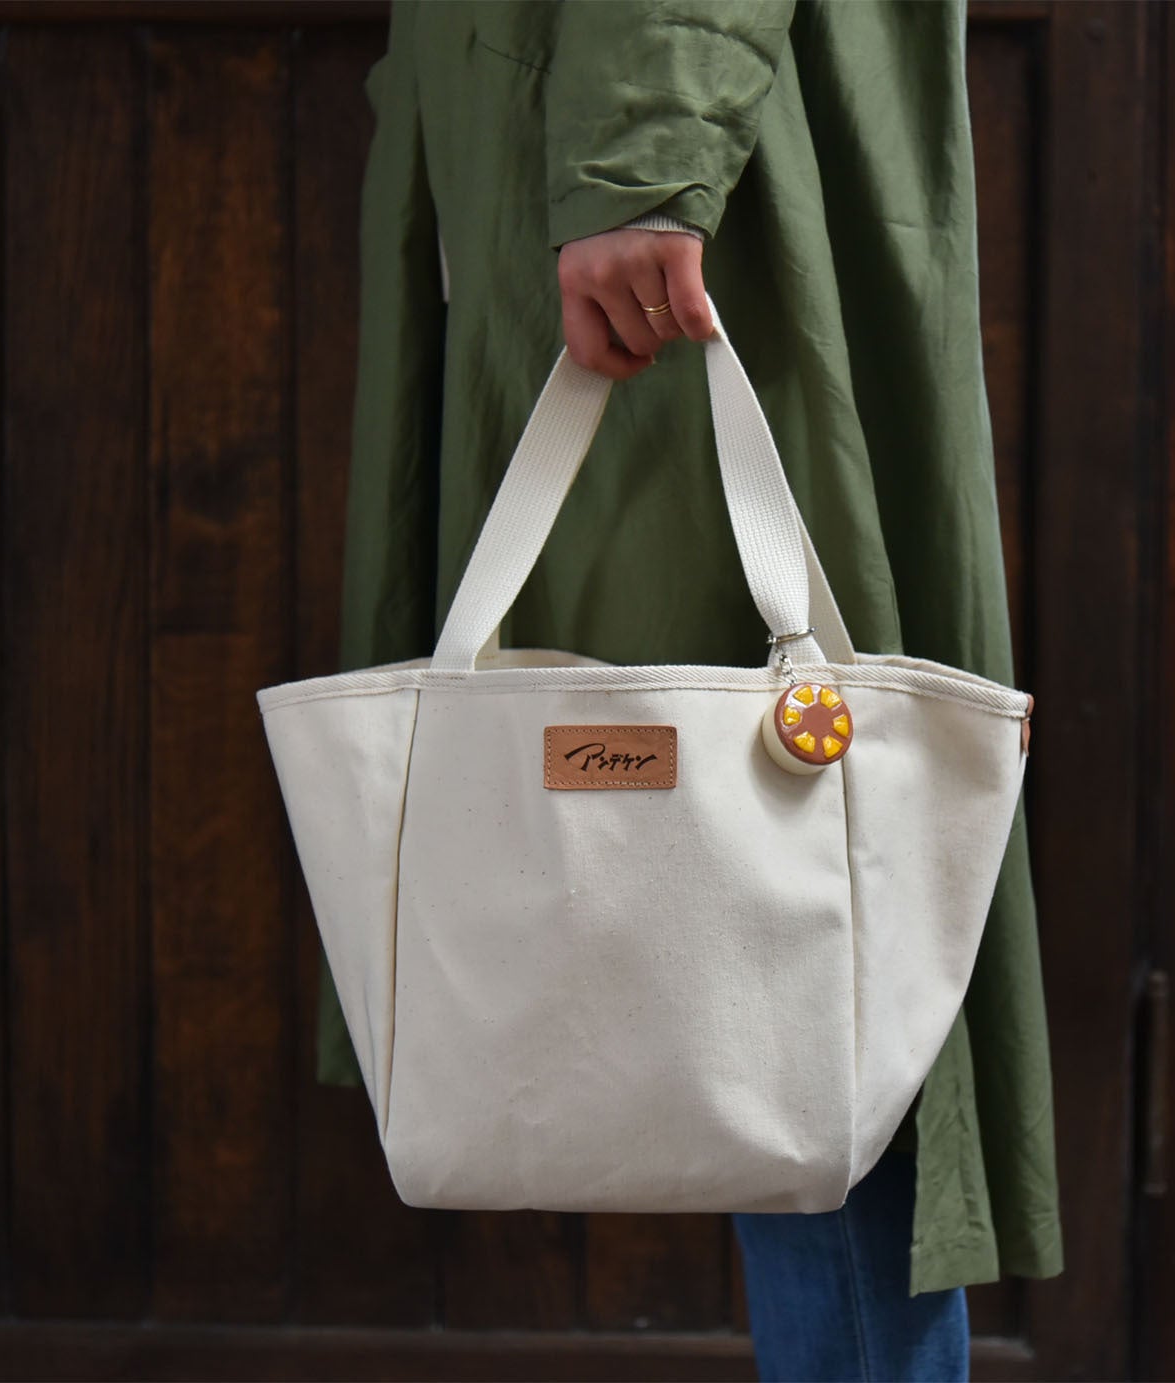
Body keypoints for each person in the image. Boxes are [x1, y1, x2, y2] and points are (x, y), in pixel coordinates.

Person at [317, 2, 1063, 1376]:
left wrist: (642, 160)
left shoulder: (645, 169)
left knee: (817, 952)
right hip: (597, 138)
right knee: (797, 915)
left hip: (686, 155)